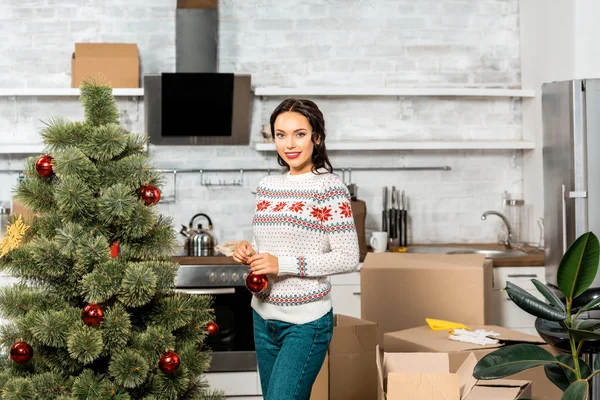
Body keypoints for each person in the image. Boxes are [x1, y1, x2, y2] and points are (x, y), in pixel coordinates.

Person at [233, 98, 360, 399]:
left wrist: (283, 264)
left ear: (317, 137)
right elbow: (268, 248)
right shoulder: (267, 186)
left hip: (305, 323)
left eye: (299, 134)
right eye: (281, 134)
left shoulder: (329, 188)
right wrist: (248, 252)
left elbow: (348, 258)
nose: (289, 144)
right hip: (262, 317)